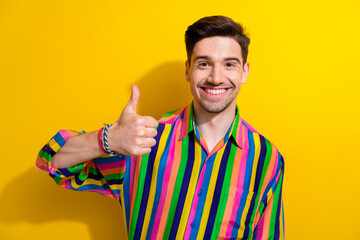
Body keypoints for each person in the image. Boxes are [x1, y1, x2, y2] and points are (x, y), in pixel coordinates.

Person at [36, 16, 285, 240]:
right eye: (204, 64)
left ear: (245, 72)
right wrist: (107, 140)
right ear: (188, 70)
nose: (216, 77)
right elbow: (54, 162)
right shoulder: (143, 140)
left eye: (229, 64)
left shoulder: (266, 158)